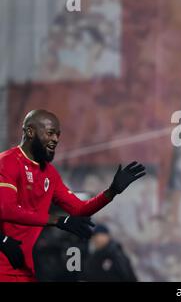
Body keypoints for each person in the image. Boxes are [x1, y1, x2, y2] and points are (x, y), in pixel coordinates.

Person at [0, 109, 146, 282]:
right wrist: (57, 221)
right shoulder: (7, 162)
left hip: (24, 270)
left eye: (58, 135)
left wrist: (111, 191)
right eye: (50, 133)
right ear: (30, 132)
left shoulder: (50, 174)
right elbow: (6, 209)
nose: (55, 139)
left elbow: (79, 208)